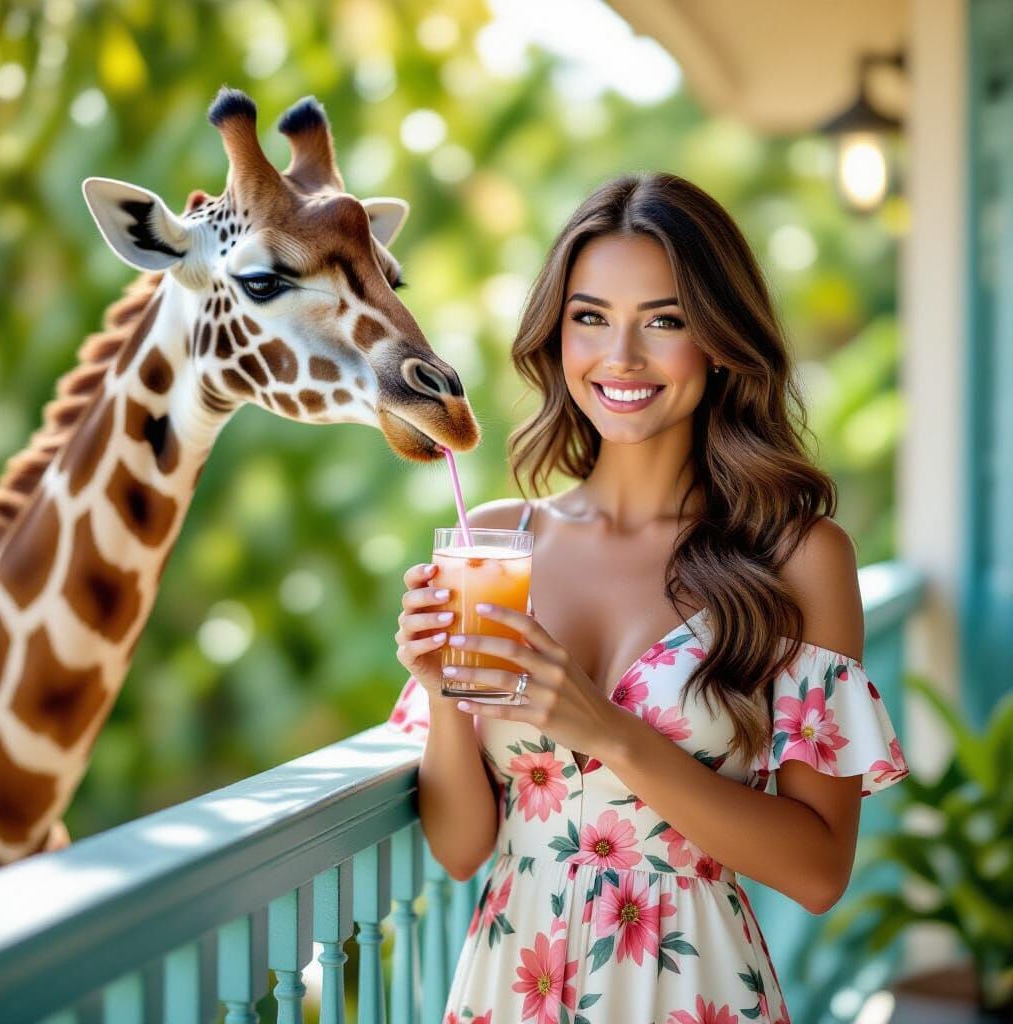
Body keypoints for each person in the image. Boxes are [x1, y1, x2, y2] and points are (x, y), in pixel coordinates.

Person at [387, 172, 910, 1024]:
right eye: (590, 317)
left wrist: (609, 732)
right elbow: (461, 848)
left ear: (718, 339)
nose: (620, 358)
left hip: (691, 990)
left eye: (663, 321)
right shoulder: (495, 536)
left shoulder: (799, 558)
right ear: (557, 336)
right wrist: (443, 693)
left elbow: (818, 872)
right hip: (511, 987)